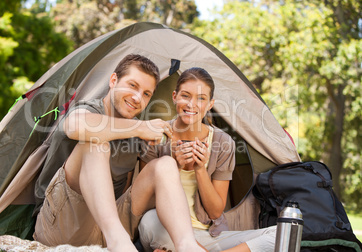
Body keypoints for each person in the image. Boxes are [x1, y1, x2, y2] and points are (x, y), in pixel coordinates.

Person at [33, 54, 206, 252]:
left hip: (105, 230)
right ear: (113, 80)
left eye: (146, 93)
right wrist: (140, 127)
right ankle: (118, 242)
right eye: (132, 86)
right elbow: (74, 126)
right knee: (96, 142)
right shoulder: (91, 109)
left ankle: (187, 245)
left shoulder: (136, 137)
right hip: (60, 225)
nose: (137, 98)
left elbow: (132, 188)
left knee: (165, 165)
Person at [138, 67, 277, 252]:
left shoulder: (223, 143)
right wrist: (175, 167)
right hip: (165, 229)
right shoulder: (157, 135)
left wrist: (201, 169)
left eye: (201, 98)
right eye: (185, 95)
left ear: (210, 104)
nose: (191, 104)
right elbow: (142, 202)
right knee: (149, 220)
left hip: (208, 236)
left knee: (278, 235)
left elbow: (215, 212)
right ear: (174, 96)